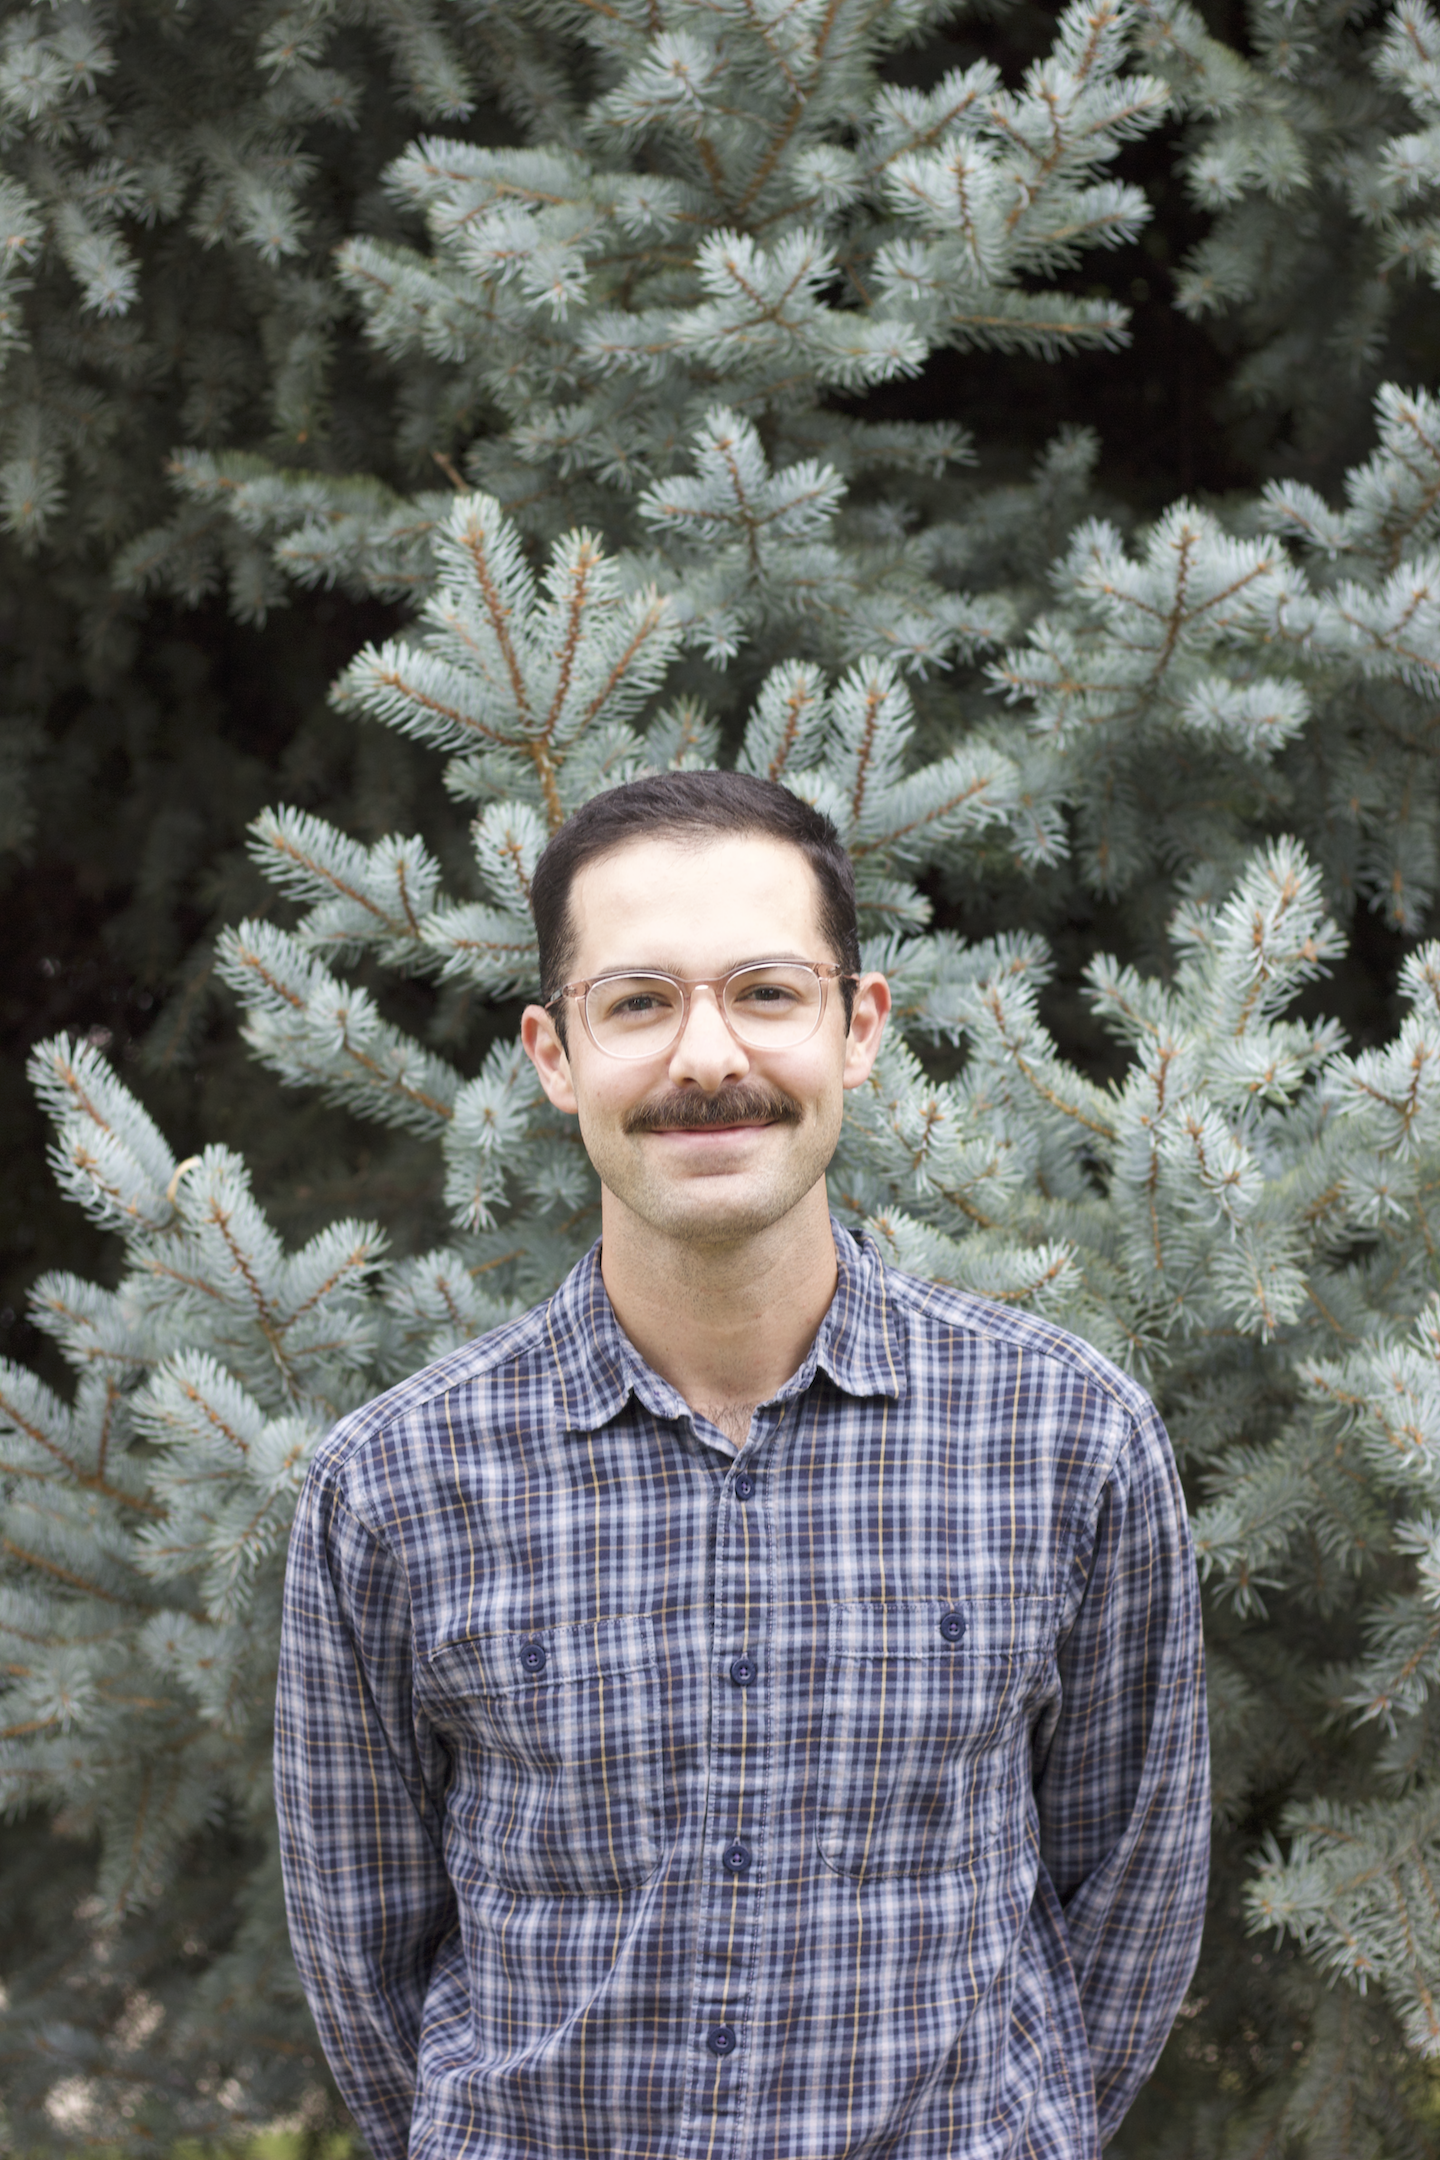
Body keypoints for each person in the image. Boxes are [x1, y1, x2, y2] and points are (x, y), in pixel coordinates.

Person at [274, 770, 1208, 2160]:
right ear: (553, 1054)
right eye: (638, 1003)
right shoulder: (395, 1484)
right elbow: (367, 1963)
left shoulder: (1067, 1438)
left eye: (767, 992)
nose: (707, 1057)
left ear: (859, 1027)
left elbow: (1130, 1903)